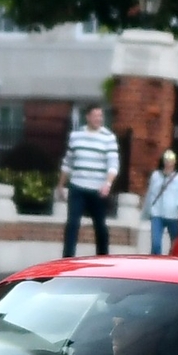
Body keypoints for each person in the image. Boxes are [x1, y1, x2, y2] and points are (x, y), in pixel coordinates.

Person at [61, 104, 119, 258]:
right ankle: (67, 258)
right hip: (77, 186)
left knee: (100, 226)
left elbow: (113, 164)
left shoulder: (108, 138)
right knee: (72, 223)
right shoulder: (76, 136)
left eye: (100, 116)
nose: (98, 119)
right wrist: (61, 185)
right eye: (95, 116)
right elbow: (67, 163)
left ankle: (103, 258)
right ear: (87, 117)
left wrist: (108, 183)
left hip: (98, 188)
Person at [142, 149, 178, 254]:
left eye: (171, 160)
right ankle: (156, 265)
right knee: (155, 244)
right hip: (157, 213)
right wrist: (145, 212)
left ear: (175, 162)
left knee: (175, 244)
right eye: (166, 160)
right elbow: (150, 194)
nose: (168, 163)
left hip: (174, 215)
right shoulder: (156, 176)